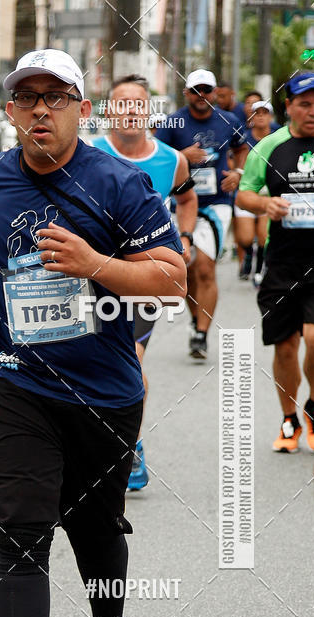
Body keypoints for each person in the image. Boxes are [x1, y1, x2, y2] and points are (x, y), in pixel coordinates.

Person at [0, 48, 185, 617]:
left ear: (83, 108)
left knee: (96, 530)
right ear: (11, 110)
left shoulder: (119, 183)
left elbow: (171, 277)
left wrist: (95, 265)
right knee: (21, 530)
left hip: (105, 393)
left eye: (56, 97)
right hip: (17, 381)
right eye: (27, 98)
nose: (40, 109)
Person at [92, 74, 197, 491]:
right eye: (122, 103)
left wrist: (184, 237)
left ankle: (129, 444)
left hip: (143, 278)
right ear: (108, 112)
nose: (131, 110)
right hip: (90, 278)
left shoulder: (172, 161)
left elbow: (187, 200)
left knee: (130, 358)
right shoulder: (88, 153)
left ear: (149, 111)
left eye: (139, 103)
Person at [237, 72, 314, 453]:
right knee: (286, 345)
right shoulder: (269, 146)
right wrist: (265, 204)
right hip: (283, 263)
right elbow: (244, 195)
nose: (313, 111)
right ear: (287, 106)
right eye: (305, 104)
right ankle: (289, 418)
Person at [156, 69, 247, 360]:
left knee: (205, 266)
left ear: (215, 93)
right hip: (182, 203)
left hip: (216, 202)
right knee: (189, 268)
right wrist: (183, 155)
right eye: (196, 90)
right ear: (186, 93)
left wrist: (238, 172)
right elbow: (156, 155)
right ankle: (197, 321)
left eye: (207, 90)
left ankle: (201, 334)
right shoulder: (174, 122)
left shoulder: (228, 120)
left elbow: (242, 147)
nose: (201, 96)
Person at [234, 100, 277, 284]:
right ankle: (248, 255)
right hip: (247, 191)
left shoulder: (278, 138)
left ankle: (259, 269)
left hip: (268, 194)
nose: (260, 116)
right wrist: (238, 173)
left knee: (263, 236)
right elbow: (234, 162)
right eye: (256, 113)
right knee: (244, 237)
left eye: (264, 112)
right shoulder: (243, 138)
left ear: (270, 116)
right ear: (250, 117)